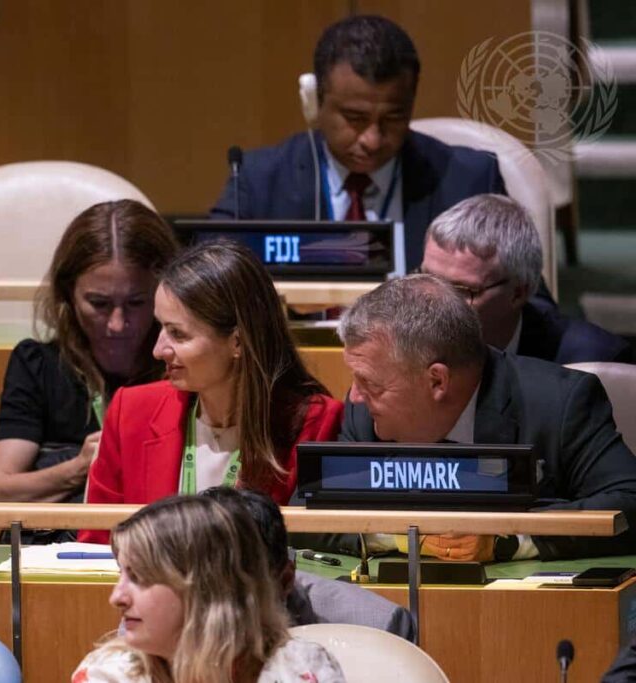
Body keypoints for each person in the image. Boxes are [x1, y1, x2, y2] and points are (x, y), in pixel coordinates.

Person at [333, 274, 636, 561]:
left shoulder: (559, 404)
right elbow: (305, 512)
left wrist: (508, 539)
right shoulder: (366, 413)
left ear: (437, 381)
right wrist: (405, 536)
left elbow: (629, 504)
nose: (355, 396)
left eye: (371, 383)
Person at [79, 241, 342, 543]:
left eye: (178, 334)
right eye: (160, 328)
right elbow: (94, 547)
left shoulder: (315, 422)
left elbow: (314, 559)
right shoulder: (131, 411)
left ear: (238, 342)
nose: (157, 350)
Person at [210, 15, 504, 273]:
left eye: (393, 117)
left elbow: (534, 311)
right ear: (314, 103)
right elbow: (203, 282)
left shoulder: (469, 182)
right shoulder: (258, 180)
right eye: (355, 118)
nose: (372, 140)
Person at [0, 200, 179, 508]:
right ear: (67, 294)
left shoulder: (183, 367)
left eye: (137, 303)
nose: (117, 324)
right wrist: (81, 467)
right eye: (99, 304)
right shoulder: (38, 365)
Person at [72, 495, 345, 683]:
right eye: (122, 574)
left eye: (140, 577)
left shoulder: (300, 667)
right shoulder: (108, 674)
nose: (116, 597)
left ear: (207, 585)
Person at [421, 194, 632, 364]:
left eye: (462, 290)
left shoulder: (593, 364)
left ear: (518, 293)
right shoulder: (399, 344)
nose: (433, 303)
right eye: (427, 278)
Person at [202, 486, 415, 642]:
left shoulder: (377, 629)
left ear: (285, 580)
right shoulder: (174, 623)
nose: (210, 610)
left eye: (231, 591)